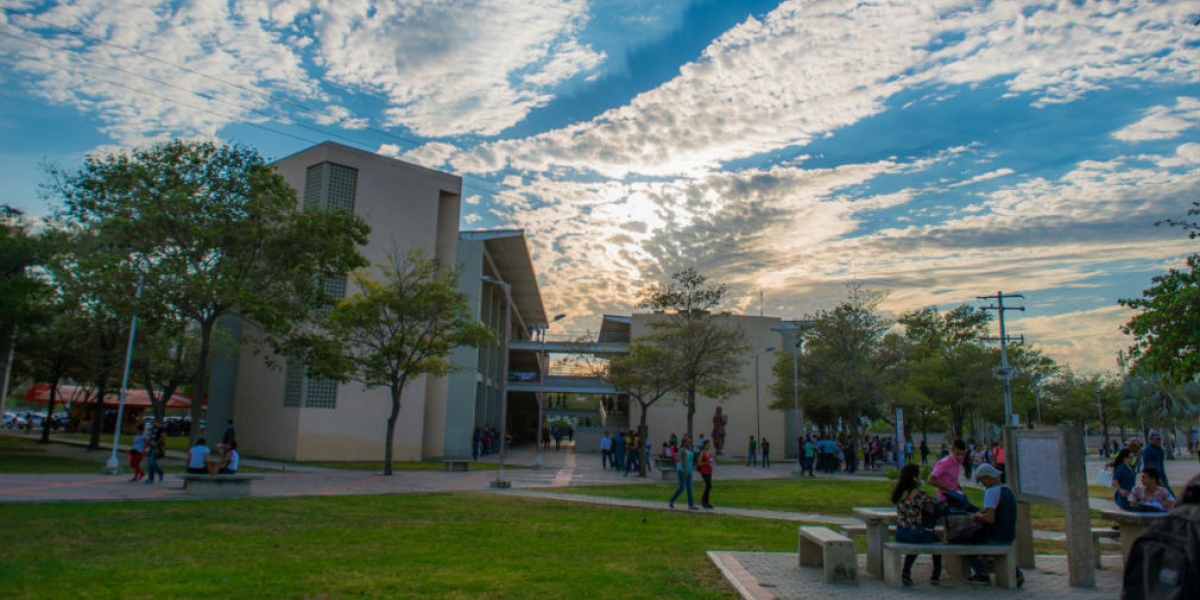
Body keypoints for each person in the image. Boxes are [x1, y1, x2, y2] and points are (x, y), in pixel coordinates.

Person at [965, 464, 1024, 587]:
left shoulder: (991, 492)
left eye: (981, 481)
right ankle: (1016, 573)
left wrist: (977, 516)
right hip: (1009, 535)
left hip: (996, 536)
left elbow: (990, 519)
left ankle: (981, 574)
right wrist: (983, 512)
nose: (982, 484)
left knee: (965, 542)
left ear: (988, 478)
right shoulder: (1006, 489)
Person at [891, 464, 945, 587]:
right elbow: (934, 507)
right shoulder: (919, 495)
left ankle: (906, 572)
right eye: (918, 475)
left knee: (916, 542)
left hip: (900, 533)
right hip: (914, 532)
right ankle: (936, 575)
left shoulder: (899, 493)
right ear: (914, 478)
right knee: (936, 540)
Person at [928, 439, 968, 504]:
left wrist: (960, 489)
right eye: (957, 454)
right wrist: (948, 488)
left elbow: (953, 478)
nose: (960, 457)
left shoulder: (958, 461)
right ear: (952, 450)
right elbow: (930, 480)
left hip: (954, 496)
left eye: (963, 454)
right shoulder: (945, 463)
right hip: (945, 498)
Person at [1142, 431, 1174, 498]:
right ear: (1151, 439)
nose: (1158, 441)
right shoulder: (1147, 451)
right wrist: (1157, 478)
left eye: (1159, 439)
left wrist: (1163, 478)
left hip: (1161, 475)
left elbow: (1161, 465)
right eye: (1156, 439)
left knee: (1169, 494)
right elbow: (1149, 467)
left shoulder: (1160, 450)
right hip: (1151, 477)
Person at [669, 436, 697, 510]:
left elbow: (691, 460)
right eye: (688, 442)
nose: (689, 443)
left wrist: (694, 466)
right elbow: (683, 462)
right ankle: (672, 500)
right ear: (684, 442)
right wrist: (685, 472)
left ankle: (691, 505)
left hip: (689, 471)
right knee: (682, 488)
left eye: (690, 442)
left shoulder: (690, 450)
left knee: (690, 488)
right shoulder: (683, 450)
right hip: (682, 471)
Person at [697, 439, 716, 509]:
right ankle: (703, 501)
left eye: (709, 445)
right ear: (704, 445)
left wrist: (713, 462)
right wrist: (707, 462)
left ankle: (706, 502)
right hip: (704, 471)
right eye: (707, 445)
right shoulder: (702, 452)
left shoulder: (709, 453)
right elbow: (699, 463)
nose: (708, 446)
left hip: (709, 471)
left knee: (709, 487)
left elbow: (711, 461)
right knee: (708, 485)